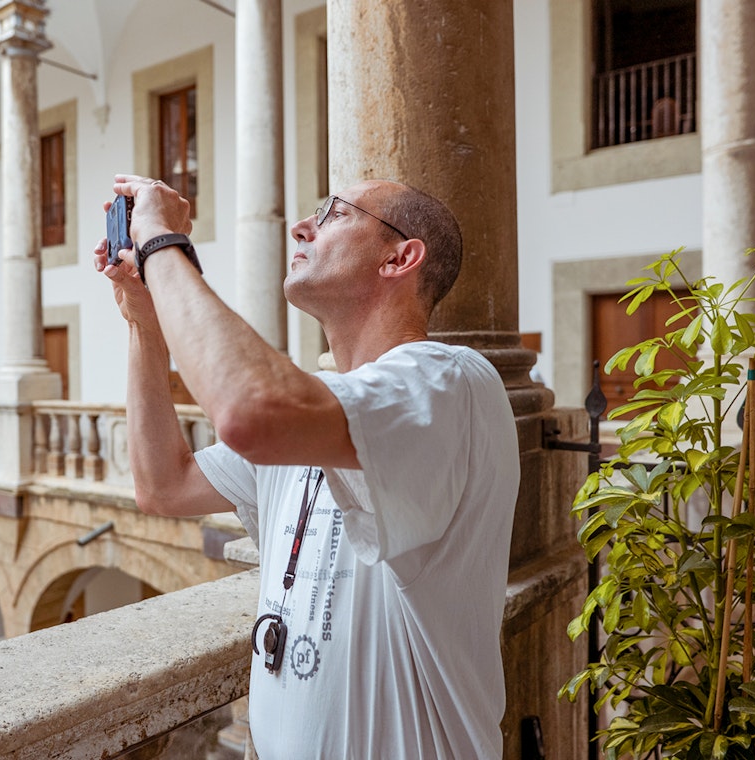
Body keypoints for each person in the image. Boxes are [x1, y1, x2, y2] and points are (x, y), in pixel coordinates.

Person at [94, 174, 519, 759]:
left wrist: (160, 241)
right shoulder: (316, 411)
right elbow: (164, 485)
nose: (301, 226)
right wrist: (145, 321)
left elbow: (249, 411)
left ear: (401, 257)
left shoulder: (449, 385)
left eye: (334, 213)